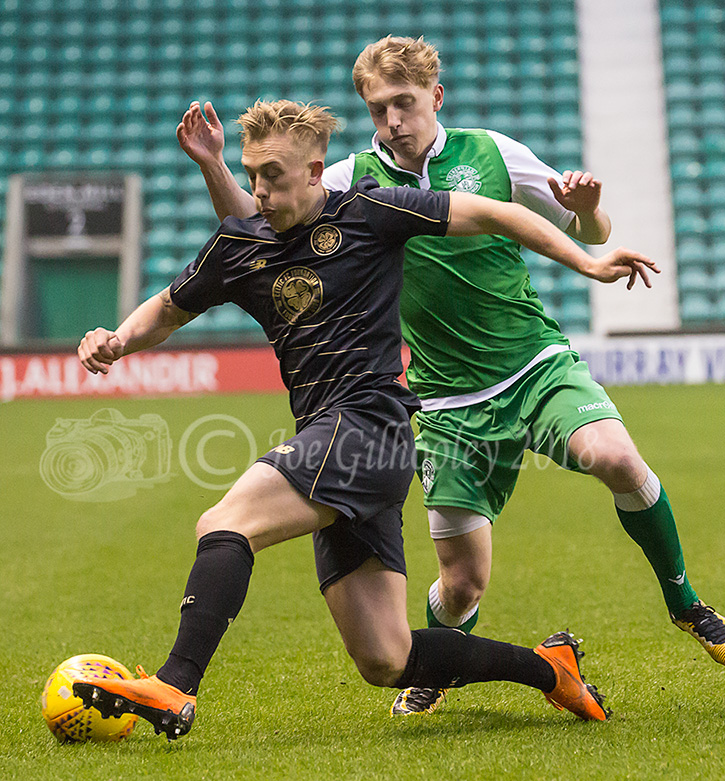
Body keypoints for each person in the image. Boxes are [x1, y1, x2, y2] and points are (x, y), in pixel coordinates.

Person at [177, 37, 725, 716]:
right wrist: (215, 165)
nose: (393, 120)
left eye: (404, 103)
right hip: (446, 400)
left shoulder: (493, 154)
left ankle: (686, 603)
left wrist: (587, 209)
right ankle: (440, 669)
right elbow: (258, 226)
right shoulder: (350, 179)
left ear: (436, 97)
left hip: (533, 364)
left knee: (615, 458)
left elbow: (591, 230)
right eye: (378, 108)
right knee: (460, 585)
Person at [70, 100, 657, 738]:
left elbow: (497, 212)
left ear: (314, 170)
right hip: (332, 440)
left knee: (224, 523)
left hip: (367, 425)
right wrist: (117, 339)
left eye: (274, 176)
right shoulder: (240, 246)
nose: (261, 190)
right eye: (253, 175)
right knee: (387, 657)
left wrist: (587, 262)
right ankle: (549, 670)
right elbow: (167, 307)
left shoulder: (370, 212)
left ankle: (174, 683)